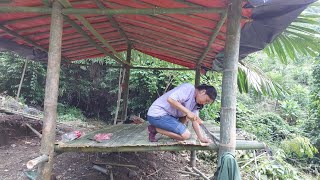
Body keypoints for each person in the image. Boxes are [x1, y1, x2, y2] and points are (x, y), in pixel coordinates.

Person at [147, 83, 217, 143]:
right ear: (203, 92)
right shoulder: (189, 88)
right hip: (157, 114)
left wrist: (201, 138)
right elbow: (170, 99)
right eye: (206, 100)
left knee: (186, 117)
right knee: (186, 135)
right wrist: (188, 112)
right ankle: (155, 129)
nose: (204, 103)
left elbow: (194, 120)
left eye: (206, 103)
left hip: (168, 116)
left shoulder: (196, 103)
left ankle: (168, 131)